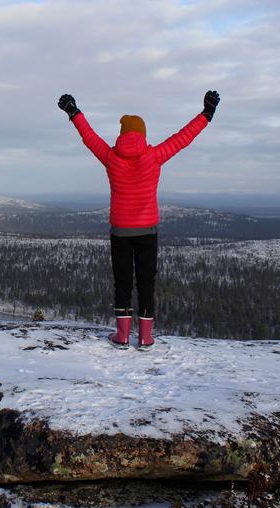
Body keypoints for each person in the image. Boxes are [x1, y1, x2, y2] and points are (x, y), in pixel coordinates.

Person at [57, 90, 219, 350]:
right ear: (142, 134)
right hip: (147, 231)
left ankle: (122, 335)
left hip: (120, 231)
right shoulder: (154, 156)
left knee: (122, 281)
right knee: (146, 282)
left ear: (122, 135)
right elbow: (183, 138)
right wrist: (206, 114)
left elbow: (89, 137)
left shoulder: (111, 157)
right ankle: (145, 337)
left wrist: (74, 113)